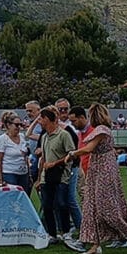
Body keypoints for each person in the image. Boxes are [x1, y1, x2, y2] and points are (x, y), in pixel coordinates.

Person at [66, 103, 127, 254]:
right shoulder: (98, 130)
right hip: (97, 170)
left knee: (106, 208)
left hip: (104, 171)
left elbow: (89, 148)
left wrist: (72, 153)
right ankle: (95, 245)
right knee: (91, 207)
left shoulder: (102, 130)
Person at [35, 107, 76, 243]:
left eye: (41, 119)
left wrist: (56, 163)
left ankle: (65, 231)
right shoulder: (45, 137)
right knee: (47, 205)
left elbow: (72, 154)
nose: (39, 122)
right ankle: (52, 234)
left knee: (61, 203)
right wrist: (40, 177)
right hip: (47, 176)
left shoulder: (64, 135)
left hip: (61, 175)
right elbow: (44, 159)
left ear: (47, 119)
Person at [54, 98, 83, 237]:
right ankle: (64, 227)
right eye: (61, 109)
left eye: (66, 109)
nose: (64, 112)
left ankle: (82, 227)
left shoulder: (70, 127)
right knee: (60, 199)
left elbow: (74, 148)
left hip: (72, 165)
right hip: (61, 166)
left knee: (71, 198)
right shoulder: (56, 126)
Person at [0, 110, 29, 190]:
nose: (19, 127)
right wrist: (0, 179)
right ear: (8, 125)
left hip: (23, 172)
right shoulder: (2, 140)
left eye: (20, 125)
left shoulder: (22, 137)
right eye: (16, 125)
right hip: (9, 173)